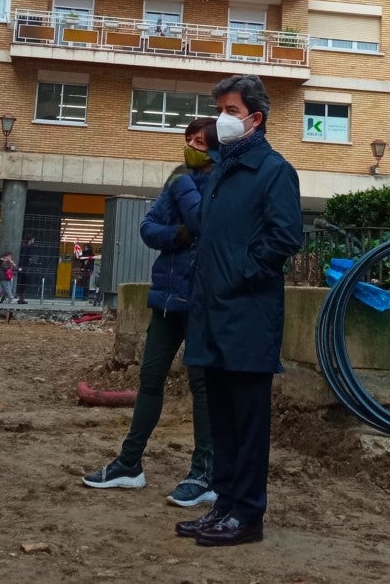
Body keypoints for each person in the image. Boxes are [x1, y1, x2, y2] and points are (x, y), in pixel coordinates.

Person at [177, 75, 302, 547]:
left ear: (255, 118)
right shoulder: (220, 172)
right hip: (210, 313)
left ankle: (248, 514)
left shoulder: (272, 170)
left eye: (230, 110)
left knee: (248, 420)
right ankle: (224, 504)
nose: (221, 119)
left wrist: (238, 276)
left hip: (248, 314)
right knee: (222, 417)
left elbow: (285, 236)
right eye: (220, 110)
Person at [83, 118, 219, 507]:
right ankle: (129, 464)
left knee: (203, 388)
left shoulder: (215, 183)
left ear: (215, 148)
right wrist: (176, 235)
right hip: (166, 298)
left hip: (202, 302)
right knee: (149, 379)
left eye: (199, 141)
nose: (191, 146)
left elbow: (204, 223)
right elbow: (148, 228)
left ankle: (204, 472)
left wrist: (183, 193)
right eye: (188, 139)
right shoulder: (177, 179)